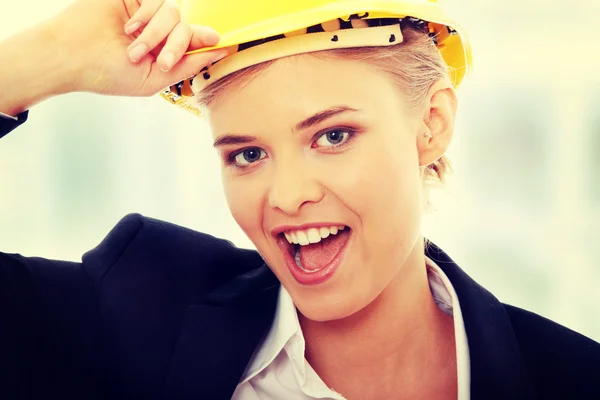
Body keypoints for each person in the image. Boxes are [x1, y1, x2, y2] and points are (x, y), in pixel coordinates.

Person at [1, 0, 599, 399]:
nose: (286, 198)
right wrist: (40, 61)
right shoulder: (135, 310)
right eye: (247, 154)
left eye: (332, 136)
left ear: (432, 125)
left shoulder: (574, 379)